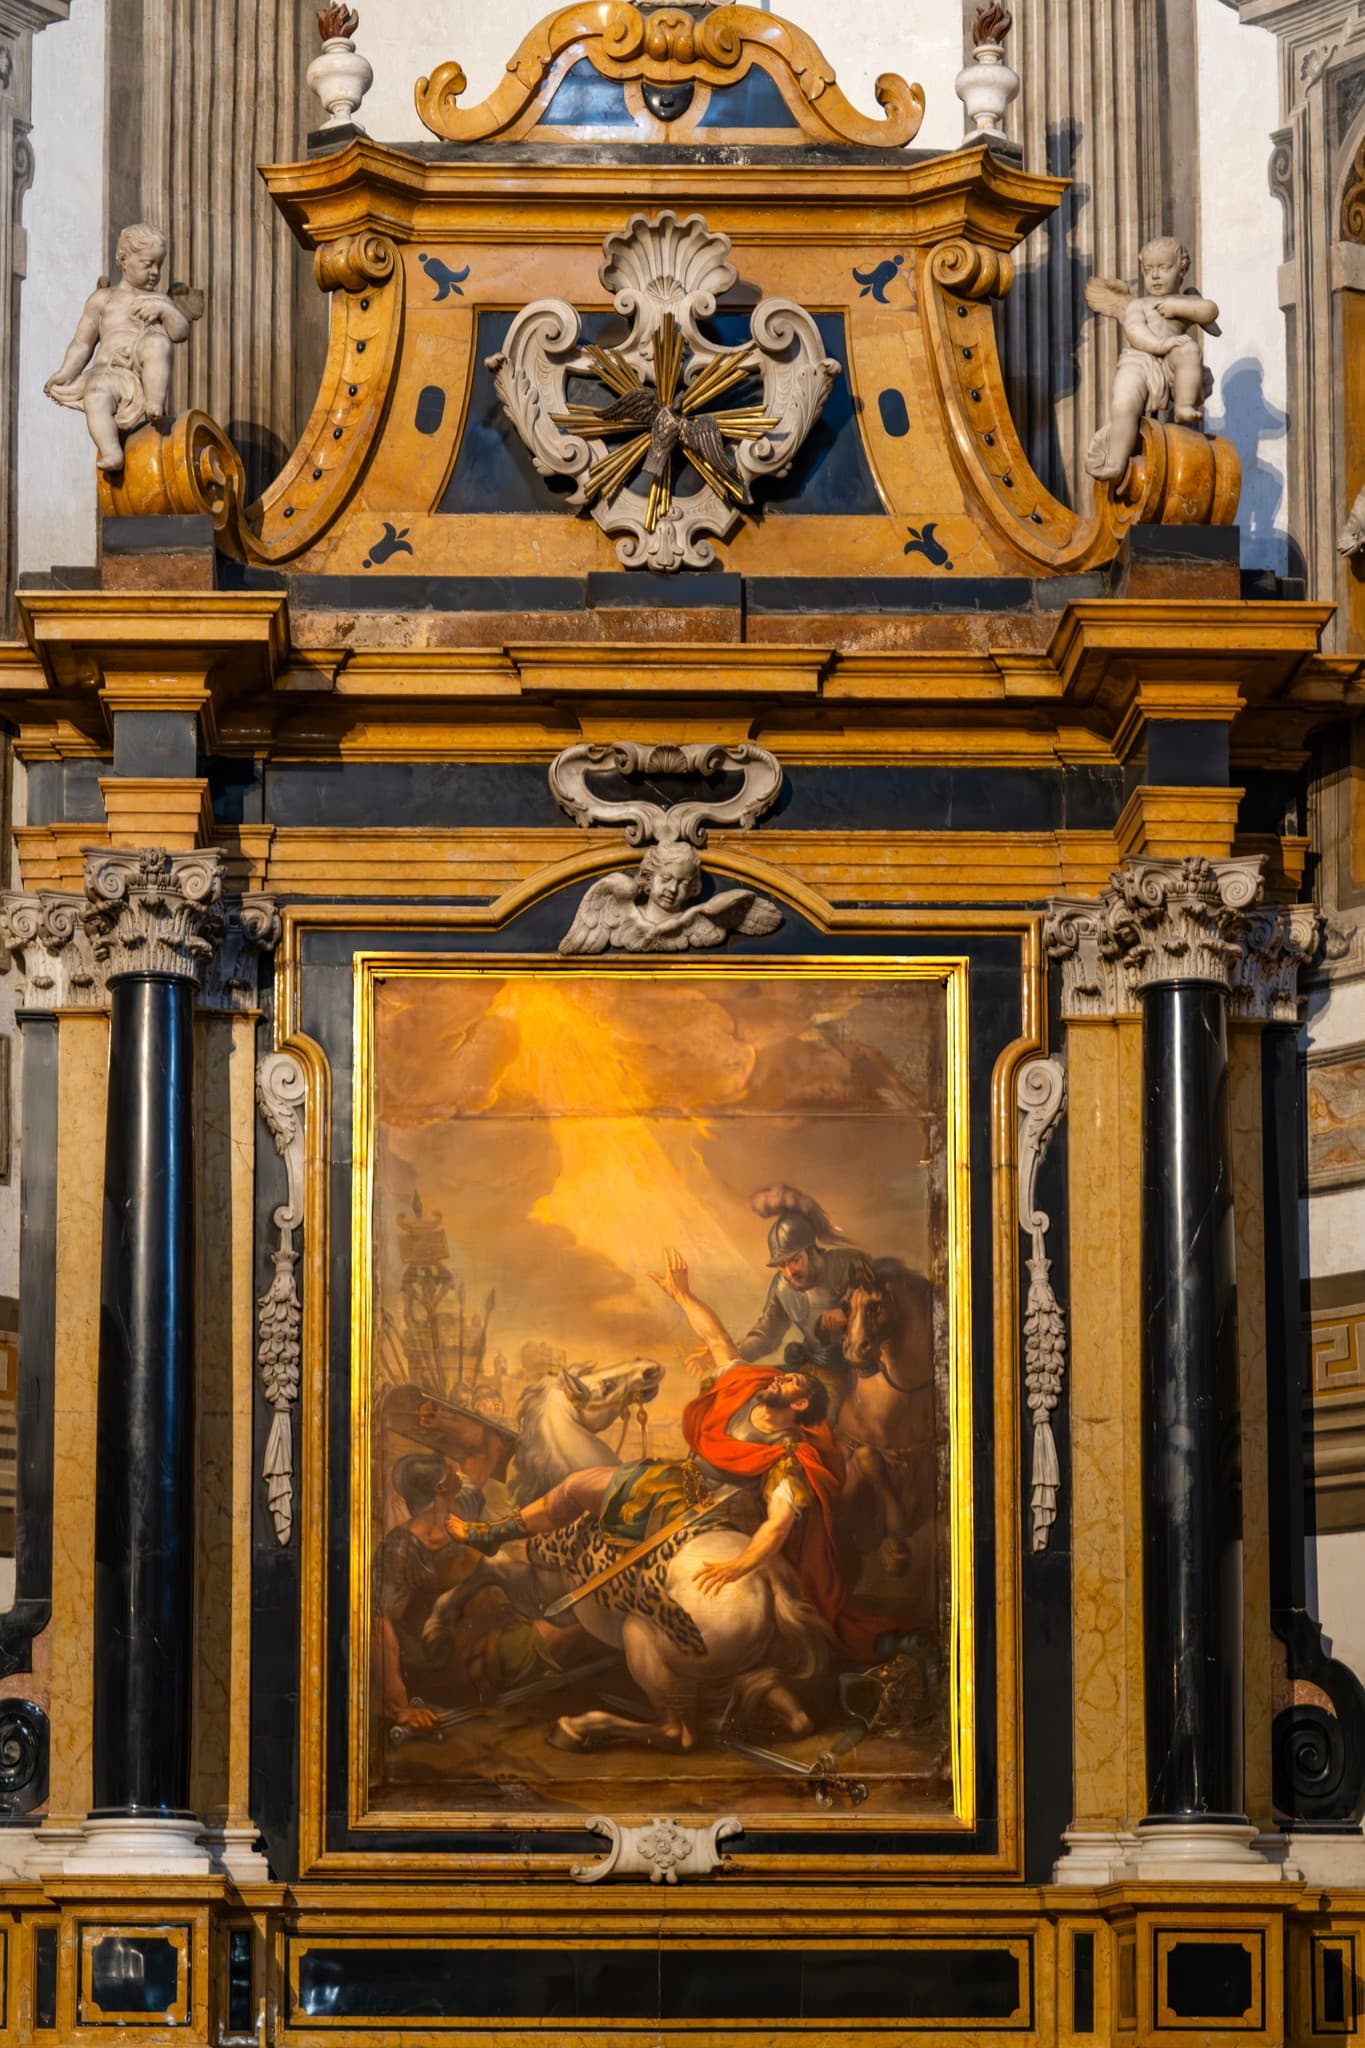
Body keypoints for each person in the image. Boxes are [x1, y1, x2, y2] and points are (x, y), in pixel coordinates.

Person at [445, 1249, 882, 1653]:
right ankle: (493, 1534)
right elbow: (716, 1340)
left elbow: (779, 1524)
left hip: (710, 1512)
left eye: (788, 1383)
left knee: (591, 1498)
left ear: (800, 1404)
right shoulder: (745, 1393)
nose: (776, 1379)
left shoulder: (787, 1457)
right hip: (674, 1481)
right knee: (577, 1485)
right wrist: (683, 1294)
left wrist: (740, 1566)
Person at [44, 222, 204, 471]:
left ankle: (154, 403)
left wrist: (165, 309)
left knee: (157, 342)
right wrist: (65, 373)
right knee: (95, 395)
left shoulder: (158, 300)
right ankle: (111, 452)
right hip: (108, 372)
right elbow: (81, 344)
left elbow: (180, 332)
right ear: (123, 259)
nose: (155, 272)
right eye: (147, 263)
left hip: (139, 365)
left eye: (159, 265)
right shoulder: (102, 299)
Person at [1084, 239, 1219, 482]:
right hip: (1139, 359)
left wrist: (1177, 306)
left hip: (1173, 359)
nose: (1155, 276)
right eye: (1148, 270)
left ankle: (1184, 407)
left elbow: (1209, 311)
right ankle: (1116, 461)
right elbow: (1134, 331)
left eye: (1164, 268)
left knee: (1189, 349)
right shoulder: (1138, 304)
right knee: (1123, 402)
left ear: (1182, 270)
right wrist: (1160, 344)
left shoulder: (1187, 302)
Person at [735, 1185, 872, 1377]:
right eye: (781, 1265)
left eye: (794, 1260)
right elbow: (767, 1335)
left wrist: (851, 1312)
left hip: (863, 1365)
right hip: (819, 1365)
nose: (789, 1272)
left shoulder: (850, 1263)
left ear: (811, 1251)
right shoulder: (781, 1287)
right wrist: (730, 1355)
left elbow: (885, 1302)